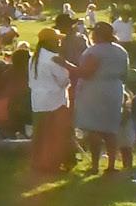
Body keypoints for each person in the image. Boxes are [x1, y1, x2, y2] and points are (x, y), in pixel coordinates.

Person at [74, 20, 130, 174]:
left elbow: (86, 72)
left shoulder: (94, 51)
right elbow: (125, 73)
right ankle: (111, 165)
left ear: (97, 35)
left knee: (94, 129)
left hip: (95, 90)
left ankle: (94, 165)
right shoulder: (121, 51)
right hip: (115, 89)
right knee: (110, 129)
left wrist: (66, 65)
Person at [27, 30, 74, 173]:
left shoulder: (33, 58)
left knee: (40, 134)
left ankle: (38, 163)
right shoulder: (54, 59)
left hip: (38, 100)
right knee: (56, 134)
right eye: (56, 40)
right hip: (55, 101)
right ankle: (55, 164)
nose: (59, 42)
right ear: (48, 42)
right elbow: (63, 79)